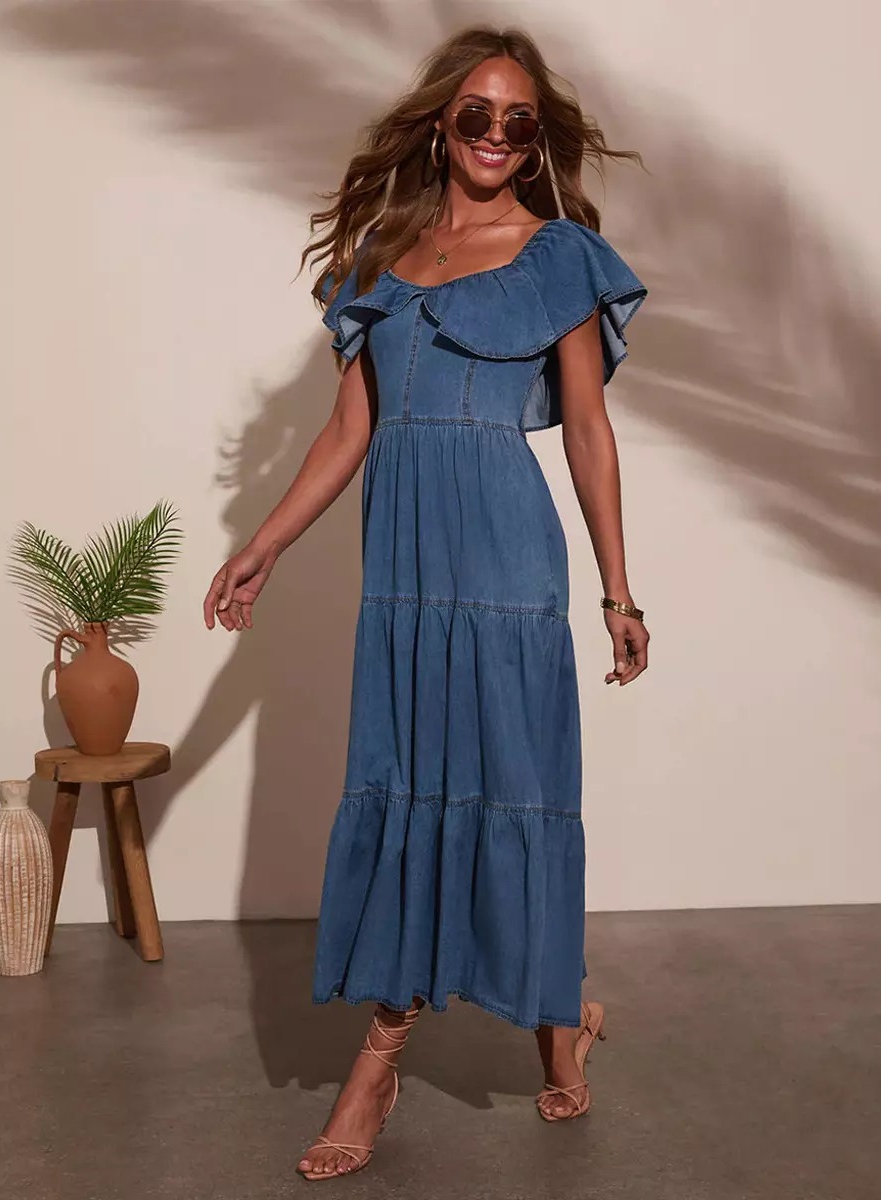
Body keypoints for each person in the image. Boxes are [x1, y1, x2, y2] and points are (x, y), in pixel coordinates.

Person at [203, 23, 649, 1183]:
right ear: (441, 127)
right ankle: (410, 1050)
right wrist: (264, 546)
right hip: (405, 578)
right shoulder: (381, 259)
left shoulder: (559, 255)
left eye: (519, 121)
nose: (498, 135)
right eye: (477, 115)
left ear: (535, 140)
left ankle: (521, 1027)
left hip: (506, 567)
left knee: (515, 790)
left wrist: (619, 591)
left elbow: (588, 429)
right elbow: (349, 428)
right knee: (414, 788)